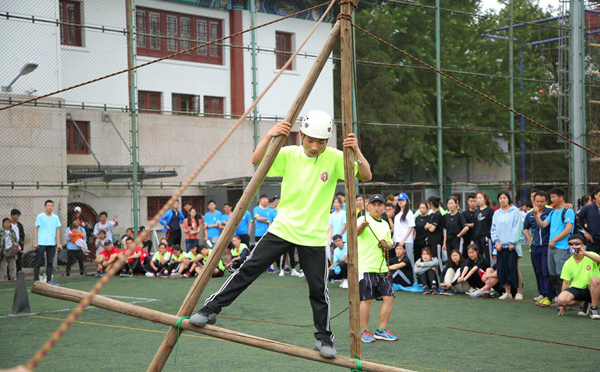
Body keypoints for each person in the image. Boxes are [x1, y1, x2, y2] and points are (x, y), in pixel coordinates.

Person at [190, 110, 372, 359]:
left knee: (319, 289)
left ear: (327, 142)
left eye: (321, 142)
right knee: (248, 269)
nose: (315, 146)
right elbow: (257, 160)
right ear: (302, 136)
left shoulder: (334, 158)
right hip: (282, 228)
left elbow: (366, 175)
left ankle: (324, 337)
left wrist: (356, 151)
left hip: (313, 236)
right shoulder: (289, 153)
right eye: (310, 140)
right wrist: (269, 135)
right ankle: (211, 309)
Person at [357, 194, 397, 343]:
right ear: (368, 206)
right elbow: (355, 233)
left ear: (384, 208)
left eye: (380, 205)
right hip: (366, 266)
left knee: (389, 297)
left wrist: (386, 245)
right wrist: (362, 226)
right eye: (374, 204)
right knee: (367, 300)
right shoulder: (362, 219)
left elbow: (390, 243)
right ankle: (363, 331)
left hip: (382, 267)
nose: (377, 207)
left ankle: (381, 330)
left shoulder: (385, 224)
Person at [534, 187, 574, 295]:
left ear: (561, 197)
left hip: (562, 247)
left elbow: (568, 229)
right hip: (552, 247)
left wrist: (554, 240)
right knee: (553, 274)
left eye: (553, 197)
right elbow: (543, 225)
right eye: (551, 197)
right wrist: (536, 214)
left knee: (561, 274)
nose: (551, 199)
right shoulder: (553, 212)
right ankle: (559, 297)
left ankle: (566, 299)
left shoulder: (568, 211)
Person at [556, 234, 600, 319]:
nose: (574, 246)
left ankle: (593, 308)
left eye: (577, 244)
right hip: (577, 289)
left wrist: (585, 253)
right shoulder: (568, 262)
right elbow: (566, 282)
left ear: (583, 245)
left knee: (594, 279)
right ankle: (584, 303)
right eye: (571, 244)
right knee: (560, 300)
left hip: (592, 287)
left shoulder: (591, 254)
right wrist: (562, 305)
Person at [523, 191, 555, 307]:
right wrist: (530, 241)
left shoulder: (551, 212)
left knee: (546, 271)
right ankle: (542, 293)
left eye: (542, 201)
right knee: (538, 271)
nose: (540, 203)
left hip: (547, 246)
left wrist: (568, 206)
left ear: (546, 202)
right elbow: (525, 227)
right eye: (538, 201)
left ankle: (549, 296)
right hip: (535, 247)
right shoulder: (530, 214)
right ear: (533, 201)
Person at [491, 191, 523, 300]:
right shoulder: (496, 213)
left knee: (514, 268)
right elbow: (493, 228)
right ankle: (507, 292)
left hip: (512, 246)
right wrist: (496, 242)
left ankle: (519, 292)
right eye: (500, 198)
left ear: (508, 199)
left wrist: (512, 242)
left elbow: (517, 227)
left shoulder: (515, 212)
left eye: (504, 198)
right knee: (502, 268)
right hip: (500, 246)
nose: (502, 200)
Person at [33, 200, 62, 285]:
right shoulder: (40, 216)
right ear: (45, 206)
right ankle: (36, 281)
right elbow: (36, 228)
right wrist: (35, 242)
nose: (50, 207)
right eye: (48, 205)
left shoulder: (56, 217)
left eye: (51, 206)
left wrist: (59, 242)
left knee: (50, 262)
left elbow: (57, 230)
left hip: (51, 243)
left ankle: (49, 280)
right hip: (41, 243)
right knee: (38, 262)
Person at [393, 193, 415, 266]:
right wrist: (394, 238)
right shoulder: (397, 214)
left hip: (407, 241)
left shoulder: (409, 213)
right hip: (397, 240)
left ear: (407, 201)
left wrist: (403, 239)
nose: (400, 202)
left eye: (402, 200)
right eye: (399, 200)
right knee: (398, 261)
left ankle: (411, 277)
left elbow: (410, 227)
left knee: (408, 260)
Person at [471, 191, 494, 262]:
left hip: (486, 237)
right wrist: (472, 239)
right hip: (477, 238)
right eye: (477, 198)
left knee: (488, 256)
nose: (478, 200)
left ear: (485, 199)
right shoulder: (476, 211)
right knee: (478, 257)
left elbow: (492, 225)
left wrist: (488, 236)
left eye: (480, 198)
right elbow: (474, 226)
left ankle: (489, 271)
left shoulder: (490, 210)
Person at [577, 189, 600, 254]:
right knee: (589, 261)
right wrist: (584, 232)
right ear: (595, 196)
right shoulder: (587, 208)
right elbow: (576, 221)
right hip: (592, 240)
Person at [461, 194, 477, 259]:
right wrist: (473, 224)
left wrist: (468, 225)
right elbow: (463, 225)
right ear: (468, 201)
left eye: (474, 201)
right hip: (466, 238)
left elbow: (478, 225)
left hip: (476, 237)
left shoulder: (479, 212)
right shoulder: (464, 213)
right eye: (471, 201)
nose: (473, 203)